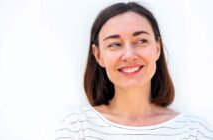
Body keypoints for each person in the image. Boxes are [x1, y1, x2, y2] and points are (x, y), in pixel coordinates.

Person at [55, 2, 213, 140]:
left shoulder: (194, 132)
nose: (129, 55)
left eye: (141, 41)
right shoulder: (77, 129)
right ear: (98, 55)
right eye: (115, 44)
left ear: (157, 48)